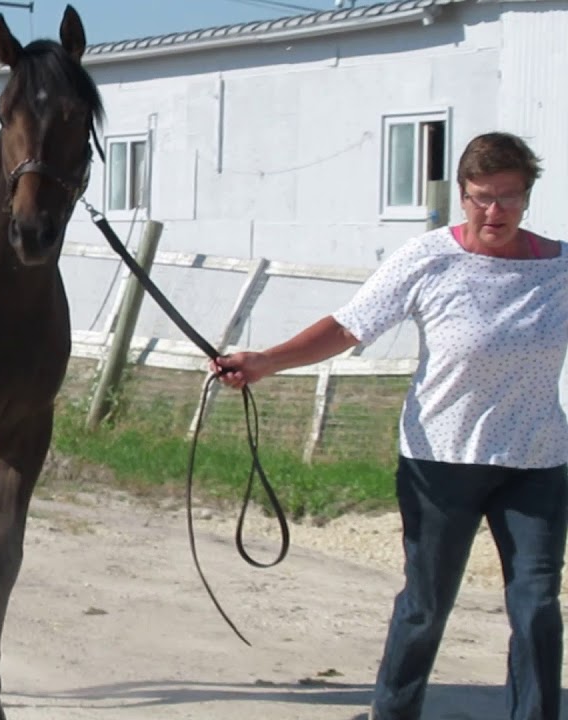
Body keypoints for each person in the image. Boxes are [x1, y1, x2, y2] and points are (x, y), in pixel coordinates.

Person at [213, 131, 568, 720]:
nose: (494, 210)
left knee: (536, 604)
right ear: (461, 194)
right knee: (426, 605)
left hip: (536, 461)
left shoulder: (559, 267)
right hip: (441, 462)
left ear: (527, 196)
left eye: (509, 196)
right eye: (482, 195)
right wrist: (267, 361)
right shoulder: (428, 258)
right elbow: (350, 326)